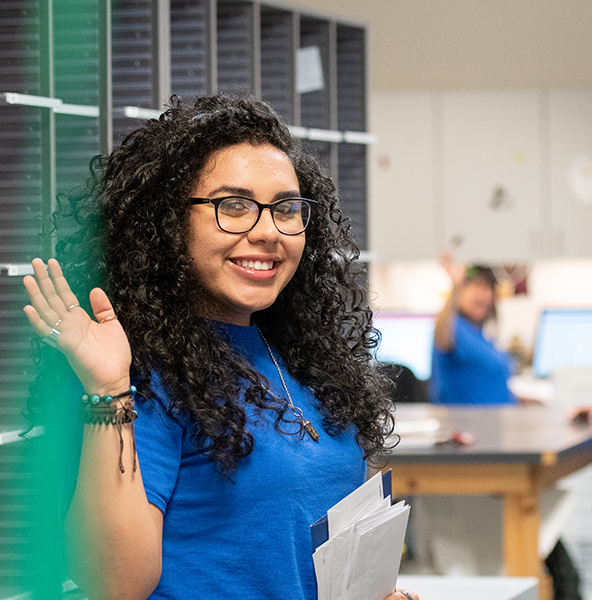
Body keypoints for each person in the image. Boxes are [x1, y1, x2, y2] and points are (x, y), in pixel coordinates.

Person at [22, 93, 418, 600]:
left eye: (287, 208)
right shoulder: (142, 373)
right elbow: (115, 585)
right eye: (233, 206)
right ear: (168, 222)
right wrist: (108, 387)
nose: (268, 231)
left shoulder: (301, 356)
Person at [429, 252, 517, 405]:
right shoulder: (454, 327)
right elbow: (441, 338)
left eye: (488, 288)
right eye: (477, 286)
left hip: (495, 422)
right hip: (466, 425)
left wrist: (520, 400)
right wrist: (455, 287)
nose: (483, 295)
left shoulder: (481, 336)